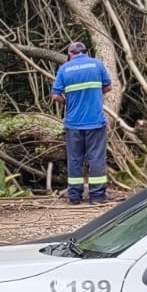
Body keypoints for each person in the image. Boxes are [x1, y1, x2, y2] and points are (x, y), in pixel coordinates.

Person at [50, 41, 111, 204]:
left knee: (75, 159)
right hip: (95, 121)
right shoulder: (97, 64)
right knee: (96, 158)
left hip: (73, 123)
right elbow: (108, 87)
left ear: (70, 54)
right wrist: (94, 95)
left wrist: (67, 102)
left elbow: (55, 95)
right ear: (85, 52)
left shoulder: (64, 69)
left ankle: (74, 196)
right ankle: (97, 196)